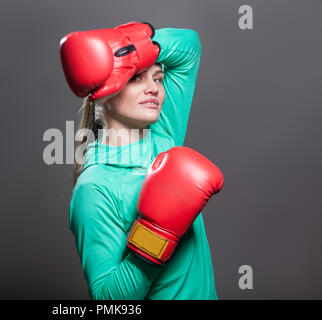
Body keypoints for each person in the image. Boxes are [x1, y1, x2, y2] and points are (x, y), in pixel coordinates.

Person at [60, 22, 223, 299]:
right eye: (136, 78)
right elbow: (108, 300)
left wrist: (128, 47)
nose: (153, 89)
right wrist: (155, 236)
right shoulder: (94, 188)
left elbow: (189, 46)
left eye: (158, 78)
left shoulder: (162, 134)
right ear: (103, 93)